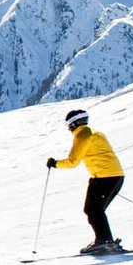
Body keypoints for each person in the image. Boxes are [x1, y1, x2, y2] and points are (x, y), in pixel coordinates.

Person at [46, 107, 127, 254]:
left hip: (104, 177)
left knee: (93, 210)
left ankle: (105, 241)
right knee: (95, 210)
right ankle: (104, 240)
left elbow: (72, 162)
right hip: (116, 176)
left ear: (72, 124)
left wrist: (54, 163)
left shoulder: (82, 136)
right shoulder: (97, 133)